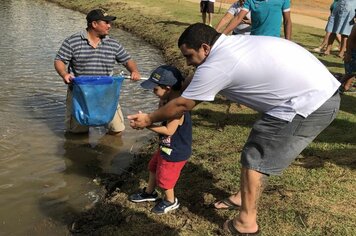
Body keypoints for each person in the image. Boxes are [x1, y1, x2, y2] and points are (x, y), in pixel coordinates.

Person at [128, 23, 340, 234]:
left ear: (205, 48)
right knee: (256, 153)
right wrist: (179, 88)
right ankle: (243, 197)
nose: (188, 62)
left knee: (254, 158)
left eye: (189, 56)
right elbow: (194, 80)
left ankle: (246, 224)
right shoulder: (229, 45)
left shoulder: (217, 65)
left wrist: (149, 119)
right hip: (321, 88)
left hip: (309, 102)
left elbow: (183, 105)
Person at [54, 9, 141, 135]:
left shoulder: (113, 43)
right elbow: (59, 60)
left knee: (116, 130)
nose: (109, 26)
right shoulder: (72, 41)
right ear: (94, 24)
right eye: (106, 22)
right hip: (80, 94)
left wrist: (134, 71)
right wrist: (64, 74)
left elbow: (127, 60)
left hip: (106, 93)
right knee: (78, 133)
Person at [128, 65, 192, 214]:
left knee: (165, 178)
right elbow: (158, 115)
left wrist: (147, 124)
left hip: (176, 151)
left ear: (167, 88)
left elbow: (169, 130)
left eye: (155, 89)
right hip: (165, 147)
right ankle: (150, 193)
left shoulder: (177, 110)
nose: (153, 91)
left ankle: (170, 201)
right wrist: (148, 117)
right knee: (153, 167)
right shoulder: (166, 101)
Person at [220, 0, 292, 40]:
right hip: (255, 40)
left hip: (273, 40)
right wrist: (221, 37)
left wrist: (287, 42)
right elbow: (238, 18)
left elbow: (287, 21)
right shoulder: (251, 0)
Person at [339, 23, 356, 92]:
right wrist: (348, 53)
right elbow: (350, 39)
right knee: (350, 72)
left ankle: (346, 86)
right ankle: (337, 86)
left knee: (352, 72)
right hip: (354, 52)